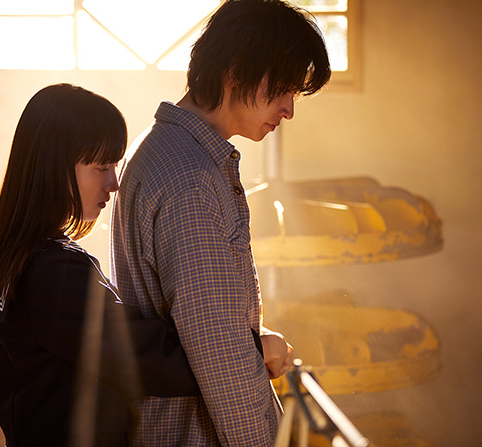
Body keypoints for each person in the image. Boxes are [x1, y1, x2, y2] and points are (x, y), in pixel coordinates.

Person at [110, 0, 332, 445]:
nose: (289, 109)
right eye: (284, 89)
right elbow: (221, 355)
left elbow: (204, 321)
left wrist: (253, 336)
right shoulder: (190, 176)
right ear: (235, 71)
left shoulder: (167, 149)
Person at [0, 83, 200, 447]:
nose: (113, 183)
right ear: (52, 166)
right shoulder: (52, 272)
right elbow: (141, 357)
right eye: (101, 167)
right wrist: (246, 351)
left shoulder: (22, 256)